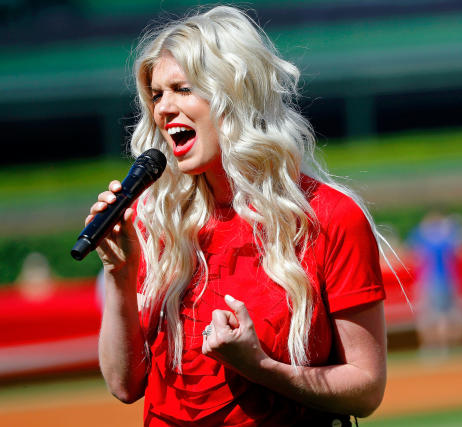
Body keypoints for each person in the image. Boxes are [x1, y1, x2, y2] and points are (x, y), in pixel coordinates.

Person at [85, 6, 387, 426]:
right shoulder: (153, 219)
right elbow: (124, 385)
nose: (164, 109)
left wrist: (259, 366)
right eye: (157, 95)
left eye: (183, 89)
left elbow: (366, 388)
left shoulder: (331, 217)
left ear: (235, 94)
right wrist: (120, 272)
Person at [407, 210, 462, 359]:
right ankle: (450, 347)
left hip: (432, 282)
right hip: (444, 281)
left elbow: (412, 253)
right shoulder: (448, 235)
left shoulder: (424, 236)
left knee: (435, 317)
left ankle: (436, 348)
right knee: (448, 316)